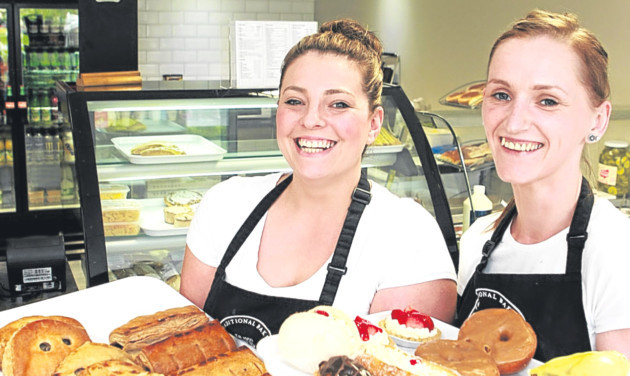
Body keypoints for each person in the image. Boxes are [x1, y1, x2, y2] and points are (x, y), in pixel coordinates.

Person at [180, 18, 457, 346]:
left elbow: (394, 365)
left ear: (374, 123)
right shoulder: (225, 205)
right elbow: (184, 346)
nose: (311, 120)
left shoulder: (407, 238)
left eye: (338, 104)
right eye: (295, 101)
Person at [456, 9, 630, 361]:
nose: (515, 122)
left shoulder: (616, 253)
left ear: (598, 119)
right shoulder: (477, 242)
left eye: (547, 101)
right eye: (501, 95)